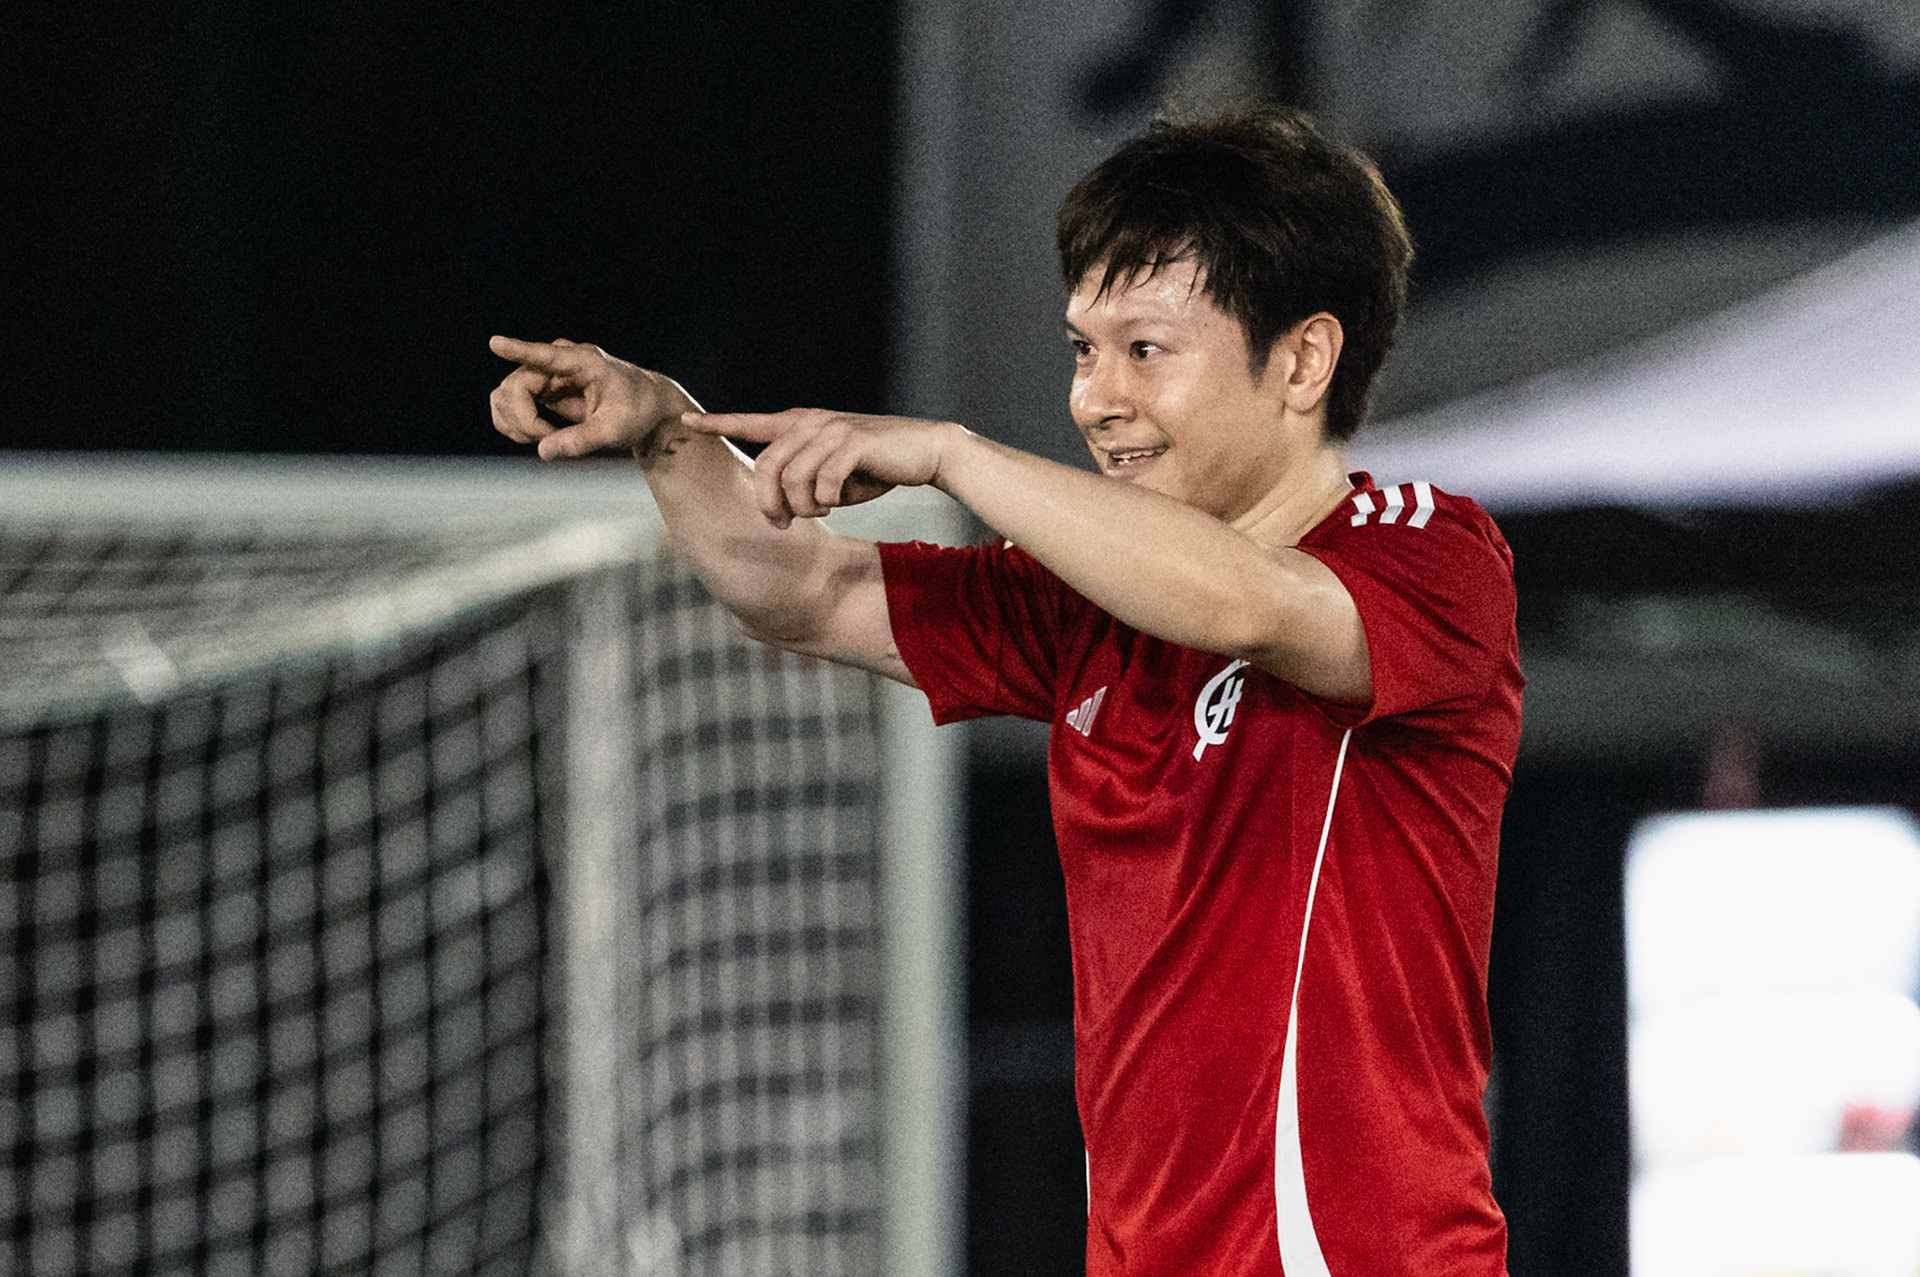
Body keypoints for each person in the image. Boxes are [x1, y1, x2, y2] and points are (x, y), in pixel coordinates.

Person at [489, 108, 1521, 1276]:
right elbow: (803, 589)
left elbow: (1250, 606)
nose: (1096, 397)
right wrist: (664, 431)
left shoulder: (1431, 553)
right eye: (1084, 350)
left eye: (1146, 349)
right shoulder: (1085, 601)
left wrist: (952, 453)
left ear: (1302, 359)